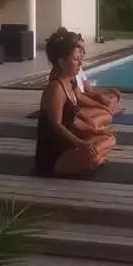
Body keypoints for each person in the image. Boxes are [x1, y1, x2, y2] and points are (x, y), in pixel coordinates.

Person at [35, 28, 116, 176]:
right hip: (54, 155)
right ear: (62, 62)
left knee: (109, 139)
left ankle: (92, 160)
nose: (80, 63)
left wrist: (95, 131)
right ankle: (93, 161)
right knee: (93, 156)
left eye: (80, 59)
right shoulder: (56, 88)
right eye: (76, 59)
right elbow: (56, 125)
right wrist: (81, 143)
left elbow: (74, 120)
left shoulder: (69, 82)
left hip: (69, 146)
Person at [75, 35, 124, 115]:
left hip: (85, 98)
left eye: (84, 50)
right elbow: (79, 97)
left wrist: (108, 90)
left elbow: (90, 90)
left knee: (113, 96)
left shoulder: (79, 69)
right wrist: (100, 101)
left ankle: (107, 110)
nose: (84, 53)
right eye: (80, 50)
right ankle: (108, 111)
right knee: (105, 111)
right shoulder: (69, 73)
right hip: (80, 104)